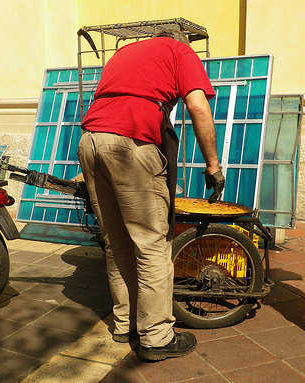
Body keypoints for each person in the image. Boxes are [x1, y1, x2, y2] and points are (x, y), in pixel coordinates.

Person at [77, 28, 225, 362]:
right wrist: (213, 166)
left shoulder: (124, 54)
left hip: (91, 141)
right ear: (180, 41)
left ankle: (125, 324)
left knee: (117, 243)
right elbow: (198, 107)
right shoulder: (179, 51)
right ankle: (157, 337)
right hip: (130, 143)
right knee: (153, 245)